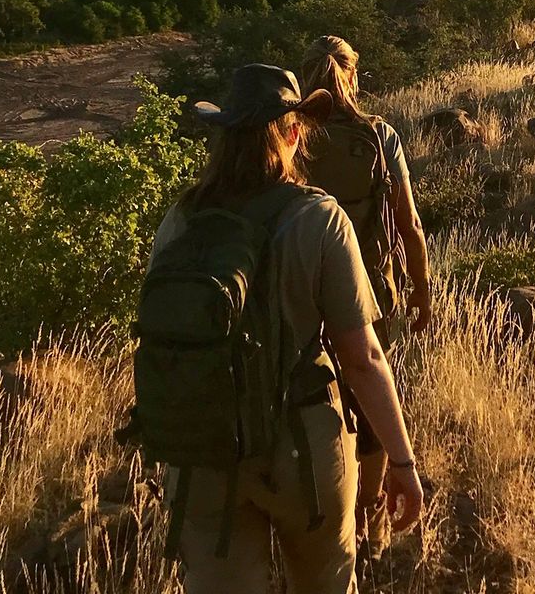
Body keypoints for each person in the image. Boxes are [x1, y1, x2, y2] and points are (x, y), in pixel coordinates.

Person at [133, 64, 423, 594]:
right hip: (303, 451)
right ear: (293, 132)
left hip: (203, 449)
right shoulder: (320, 218)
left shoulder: (182, 218)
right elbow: (362, 359)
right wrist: (400, 461)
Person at [299, 35, 431, 557]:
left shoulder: (292, 133)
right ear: (353, 74)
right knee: (371, 394)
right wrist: (421, 287)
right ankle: (370, 515)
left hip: (301, 289)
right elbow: (409, 222)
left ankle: (321, 507)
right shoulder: (379, 135)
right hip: (371, 287)